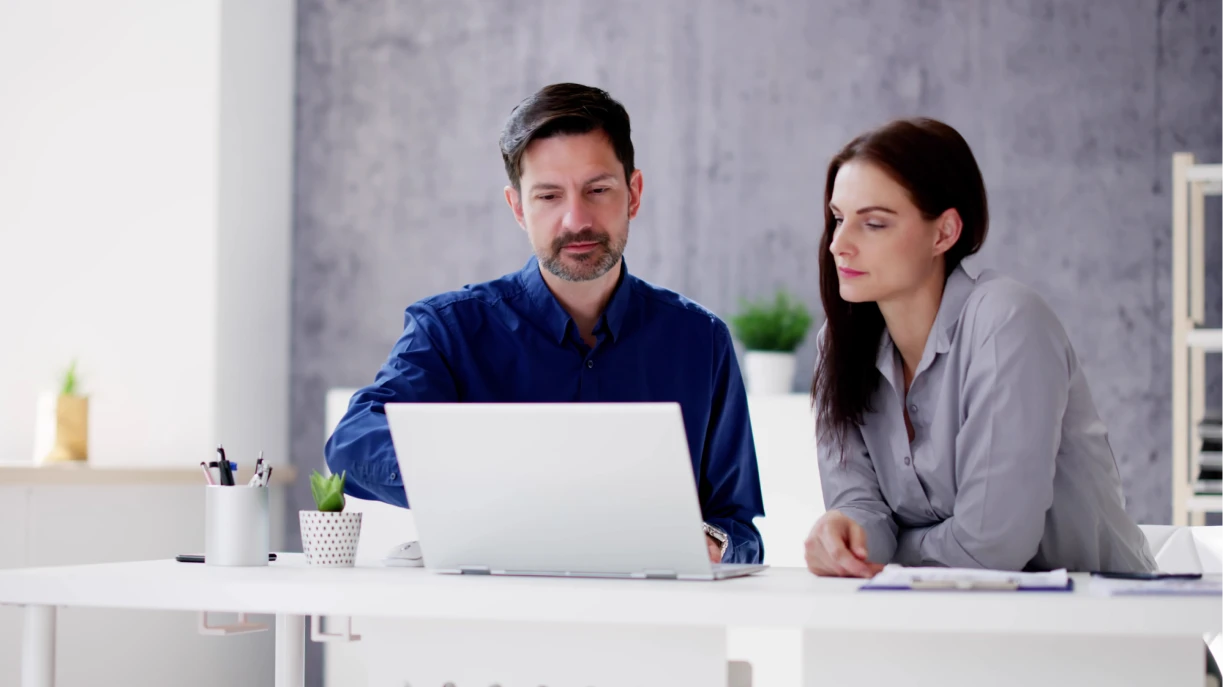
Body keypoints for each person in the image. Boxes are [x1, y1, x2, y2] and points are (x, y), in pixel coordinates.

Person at [325, 82, 764, 564]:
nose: (576, 219)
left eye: (598, 190)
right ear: (518, 208)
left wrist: (713, 545)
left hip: (652, 627)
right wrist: (475, 476)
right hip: (495, 628)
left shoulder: (701, 342)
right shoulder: (449, 331)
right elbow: (351, 443)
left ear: (633, 194)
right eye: (549, 196)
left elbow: (739, 530)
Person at [804, 117, 1157, 578]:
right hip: (960, 626)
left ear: (944, 233)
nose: (838, 245)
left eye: (873, 223)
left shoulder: (1007, 321)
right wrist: (843, 534)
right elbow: (863, 513)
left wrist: (890, 553)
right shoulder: (840, 344)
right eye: (837, 218)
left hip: (1108, 628)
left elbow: (991, 550)